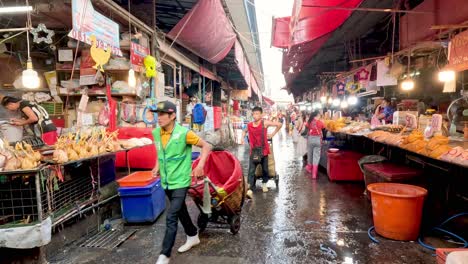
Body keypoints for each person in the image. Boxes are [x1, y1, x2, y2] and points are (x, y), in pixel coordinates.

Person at [151, 101, 212, 264]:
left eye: (163, 114)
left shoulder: (185, 133)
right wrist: (157, 166)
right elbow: (160, 153)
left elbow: (206, 146)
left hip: (181, 181)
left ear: (172, 116)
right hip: (166, 181)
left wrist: (199, 165)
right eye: (158, 114)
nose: (159, 117)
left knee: (171, 216)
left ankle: (164, 255)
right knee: (181, 211)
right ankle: (192, 235)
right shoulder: (156, 133)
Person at [242, 106, 282, 195]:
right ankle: (250, 188)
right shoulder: (249, 125)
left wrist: (272, 134)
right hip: (254, 151)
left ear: (261, 115)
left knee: (265, 169)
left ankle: (264, 183)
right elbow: (244, 131)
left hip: (264, 151)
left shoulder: (265, 123)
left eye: (257, 114)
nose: (255, 116)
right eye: (254, 114)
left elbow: (279, 125)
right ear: (252, 114)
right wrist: (242, 137)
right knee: (251, 171)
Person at [305, 111, 325, 179]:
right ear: (317, 115)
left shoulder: (309, 121)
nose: (320, 116)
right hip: (317, 140)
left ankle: (309, 168)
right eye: (319, 115)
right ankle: (314, 174)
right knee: (316, 156)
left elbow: (307, 127)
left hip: (310, 139)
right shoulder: (320, 122)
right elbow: (324, 128)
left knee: (310, 154)